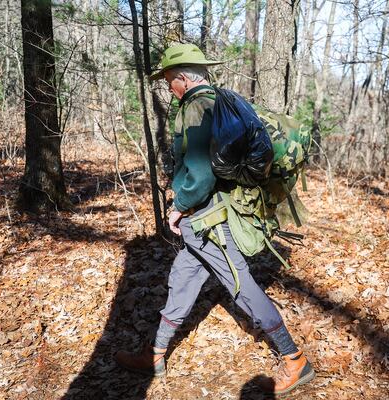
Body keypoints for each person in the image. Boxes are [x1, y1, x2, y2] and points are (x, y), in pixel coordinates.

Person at [114, 43, 315, 396]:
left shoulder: (196, 107)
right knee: (182, 279)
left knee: (242, 286)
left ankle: (294, 358)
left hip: (208, 219)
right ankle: (155, 353)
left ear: (181, 79)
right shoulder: (218, 100)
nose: (168, 87)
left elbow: (201, 173)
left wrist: (181, 205)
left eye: (168, 81)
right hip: (204, 219)